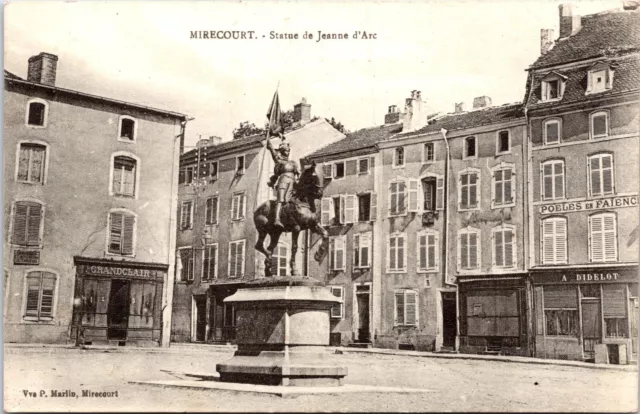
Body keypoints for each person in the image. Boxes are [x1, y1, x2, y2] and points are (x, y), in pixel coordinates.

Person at [266, 133, 299, 229]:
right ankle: (276, 219)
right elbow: (272, 150)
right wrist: (268, 142)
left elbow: (298, 175)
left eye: (288, 151)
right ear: (282, 151)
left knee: (291, 201)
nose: (287, 152)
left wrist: (297, 181)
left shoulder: (293, 163)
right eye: (285, 151)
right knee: (280, 200)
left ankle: (291, 218)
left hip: (292, 182)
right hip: (283, 181)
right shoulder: (279, 160)